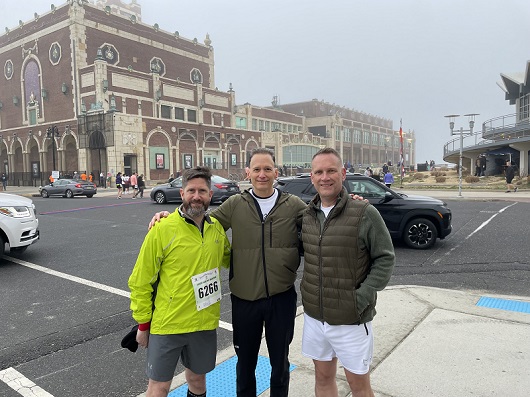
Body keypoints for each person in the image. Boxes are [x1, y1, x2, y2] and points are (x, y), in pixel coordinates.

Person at [149, 148, 307, 397]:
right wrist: (168, 217)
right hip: (245, 300)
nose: (262, 174)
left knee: (280, 364)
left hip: (281, 298)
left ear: (276, 172)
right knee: (245, 365)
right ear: (248, 173)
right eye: (256, 169)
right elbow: (200, 220)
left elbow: (322, 219)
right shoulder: (235, 204)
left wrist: (351, 202)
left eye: (267, 169)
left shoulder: (294, 206)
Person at [128, 166, 231, 397]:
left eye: (202, 191)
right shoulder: (162, 229)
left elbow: (230, 260)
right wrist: (144, 325)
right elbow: (140, 281)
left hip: (204, 323)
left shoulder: (217, 231)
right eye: (191, 190)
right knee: (159, 387)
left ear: (210, 195)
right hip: (169, 325)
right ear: (182, 194)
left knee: (197, 380)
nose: (197, 196)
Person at [300, 147, 395, 397]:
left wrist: (361, 298)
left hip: (350, 319)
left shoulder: (364, 212)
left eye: (331, 170)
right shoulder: (307, 215)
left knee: (358, 386)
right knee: (322, 378)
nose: (325, 177)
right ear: (312, 177)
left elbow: (385, 258)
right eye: (319, 172)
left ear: (343, 173)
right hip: (314, 317)